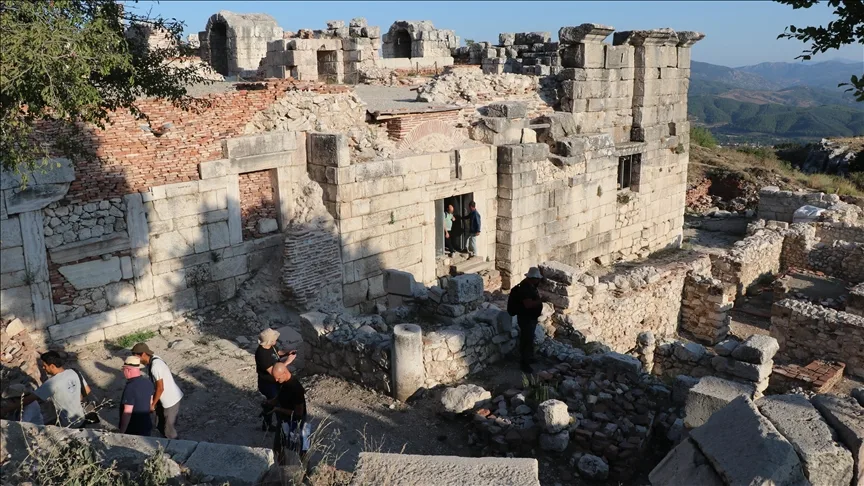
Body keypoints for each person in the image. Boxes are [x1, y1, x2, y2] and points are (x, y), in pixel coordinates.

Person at [0, 351, 90, 428]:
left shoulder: (51, 383)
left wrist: (6, 409)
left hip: (69, 425)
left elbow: (28, 400)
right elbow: (87, 390)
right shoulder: (74, 371)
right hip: (81, 417)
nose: (43, 368)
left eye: (44, 366)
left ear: (52, 366)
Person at [131, 342, 183, 439]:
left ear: (143, 354)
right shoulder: (154, 358)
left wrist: (152, 404)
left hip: (170, 400)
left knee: (169, 428)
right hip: (165, 398)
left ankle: (174, 445)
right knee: (160, 421)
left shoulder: (155, 367)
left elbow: (160, 388)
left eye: (136, 357)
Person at [265, 362, 308, 465]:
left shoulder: (296, 389)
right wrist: (271, 402)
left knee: (300, 448)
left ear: (284, 373)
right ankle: (283, 470)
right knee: (278, 447)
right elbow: (280, 395)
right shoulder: (282, 381)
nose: (276, 380)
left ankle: (306, 470)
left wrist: (278, 410)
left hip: (295, 422)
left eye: (278, 378)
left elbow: (298, 413)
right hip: (284, 418)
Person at [255, 328, 297, 431]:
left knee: (273, 402)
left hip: (275, 382)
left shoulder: (271, 346)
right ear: (270, 341)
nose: (276, 339)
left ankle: (267, 422)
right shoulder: (261, 355)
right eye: (274, 338)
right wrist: (288, 362)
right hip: (268, 383)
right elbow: (274, 372)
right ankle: (280, 426)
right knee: (277, 404)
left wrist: (287, 353)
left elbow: (278, 353)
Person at [507, 267, 545, 373]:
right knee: (526, 340)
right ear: (533, 278)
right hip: (525, 318)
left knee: (530, 338)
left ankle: (530, 357)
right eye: (537, 279)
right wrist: (540, 301)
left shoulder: (529, 286)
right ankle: (525, 363)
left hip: (530, 318)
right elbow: (528, 304)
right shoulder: (525, 288)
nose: (538, 281)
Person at [118, 355, 154, 437]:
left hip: (133, 430)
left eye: (124, 369)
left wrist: (122, 432)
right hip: (146, 426)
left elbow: (127, 412)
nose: (123, 372)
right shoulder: (148, 382)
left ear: (128, 370)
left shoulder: (130, 387)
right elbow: (150, 403)